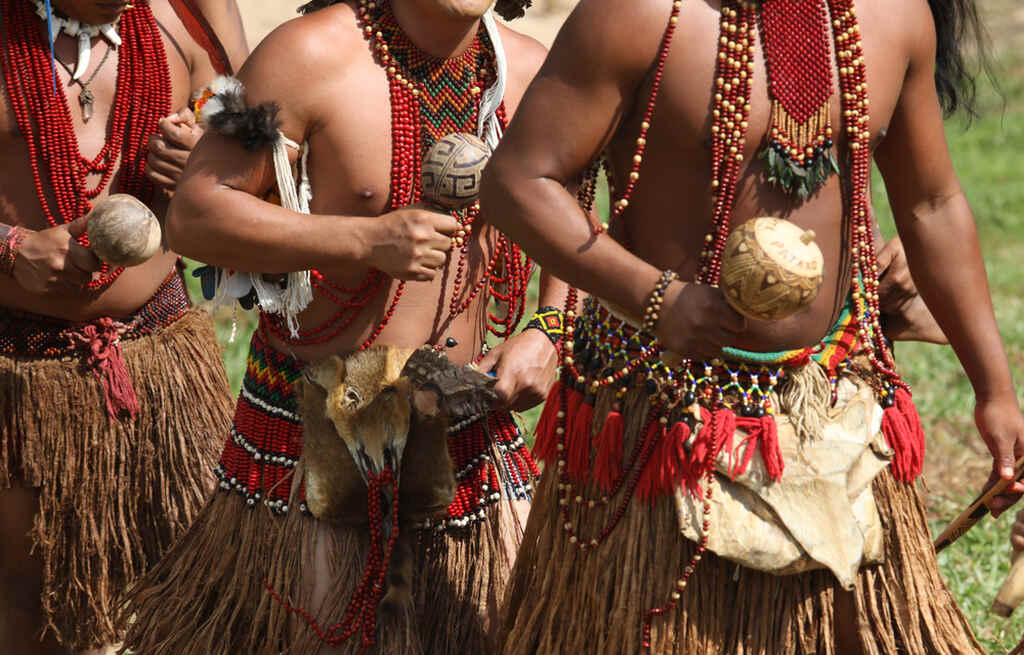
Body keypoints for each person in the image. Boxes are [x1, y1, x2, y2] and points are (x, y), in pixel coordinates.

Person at [481, 0, 1024, 652]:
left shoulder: (892, 15)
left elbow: (932, 203)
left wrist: (994, 388)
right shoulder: (639, 14)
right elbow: (518, 180)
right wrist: (655, 297)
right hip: (660, 414)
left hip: (831, 396)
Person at [118, 0, 564, 653]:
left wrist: (546, 329)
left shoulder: (527, 72)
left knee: (496, 631)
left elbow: (577, 216)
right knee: (318, 632)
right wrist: (364, 239)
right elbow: (195, 213)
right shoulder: (307, 56)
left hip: (465, 421)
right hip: (312, 427)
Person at [0, 1, 246, 652]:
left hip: (161, 364)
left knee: (198, 583)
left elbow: (263, 173)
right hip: (19, 379)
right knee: (29, 598)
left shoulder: (193, 18)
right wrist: (9, 246)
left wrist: (206, 169)